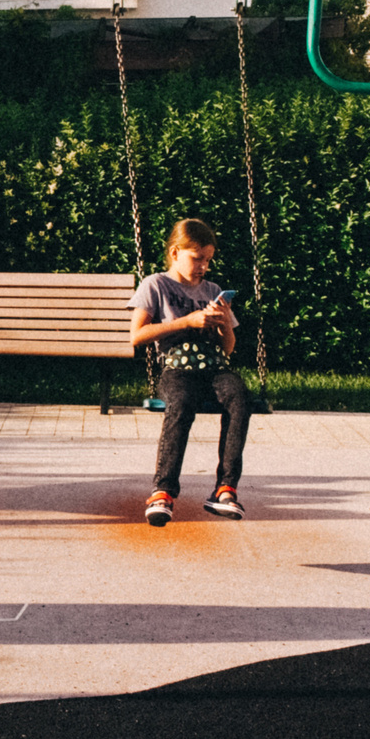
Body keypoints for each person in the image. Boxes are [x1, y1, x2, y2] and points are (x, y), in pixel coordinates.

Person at [129, 217, 251, 527]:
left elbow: (228, 348)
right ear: (175, 252)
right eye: (197, 258)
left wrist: (223, 320)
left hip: (213, 367)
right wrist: (188, 321)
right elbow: (137, 336)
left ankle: (225, 489)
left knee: (239, 397)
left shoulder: (213, 290)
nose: (203, 266)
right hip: (177, 368)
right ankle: (163, 493)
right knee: (181, 404)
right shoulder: (156, 284)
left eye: (208, 260)